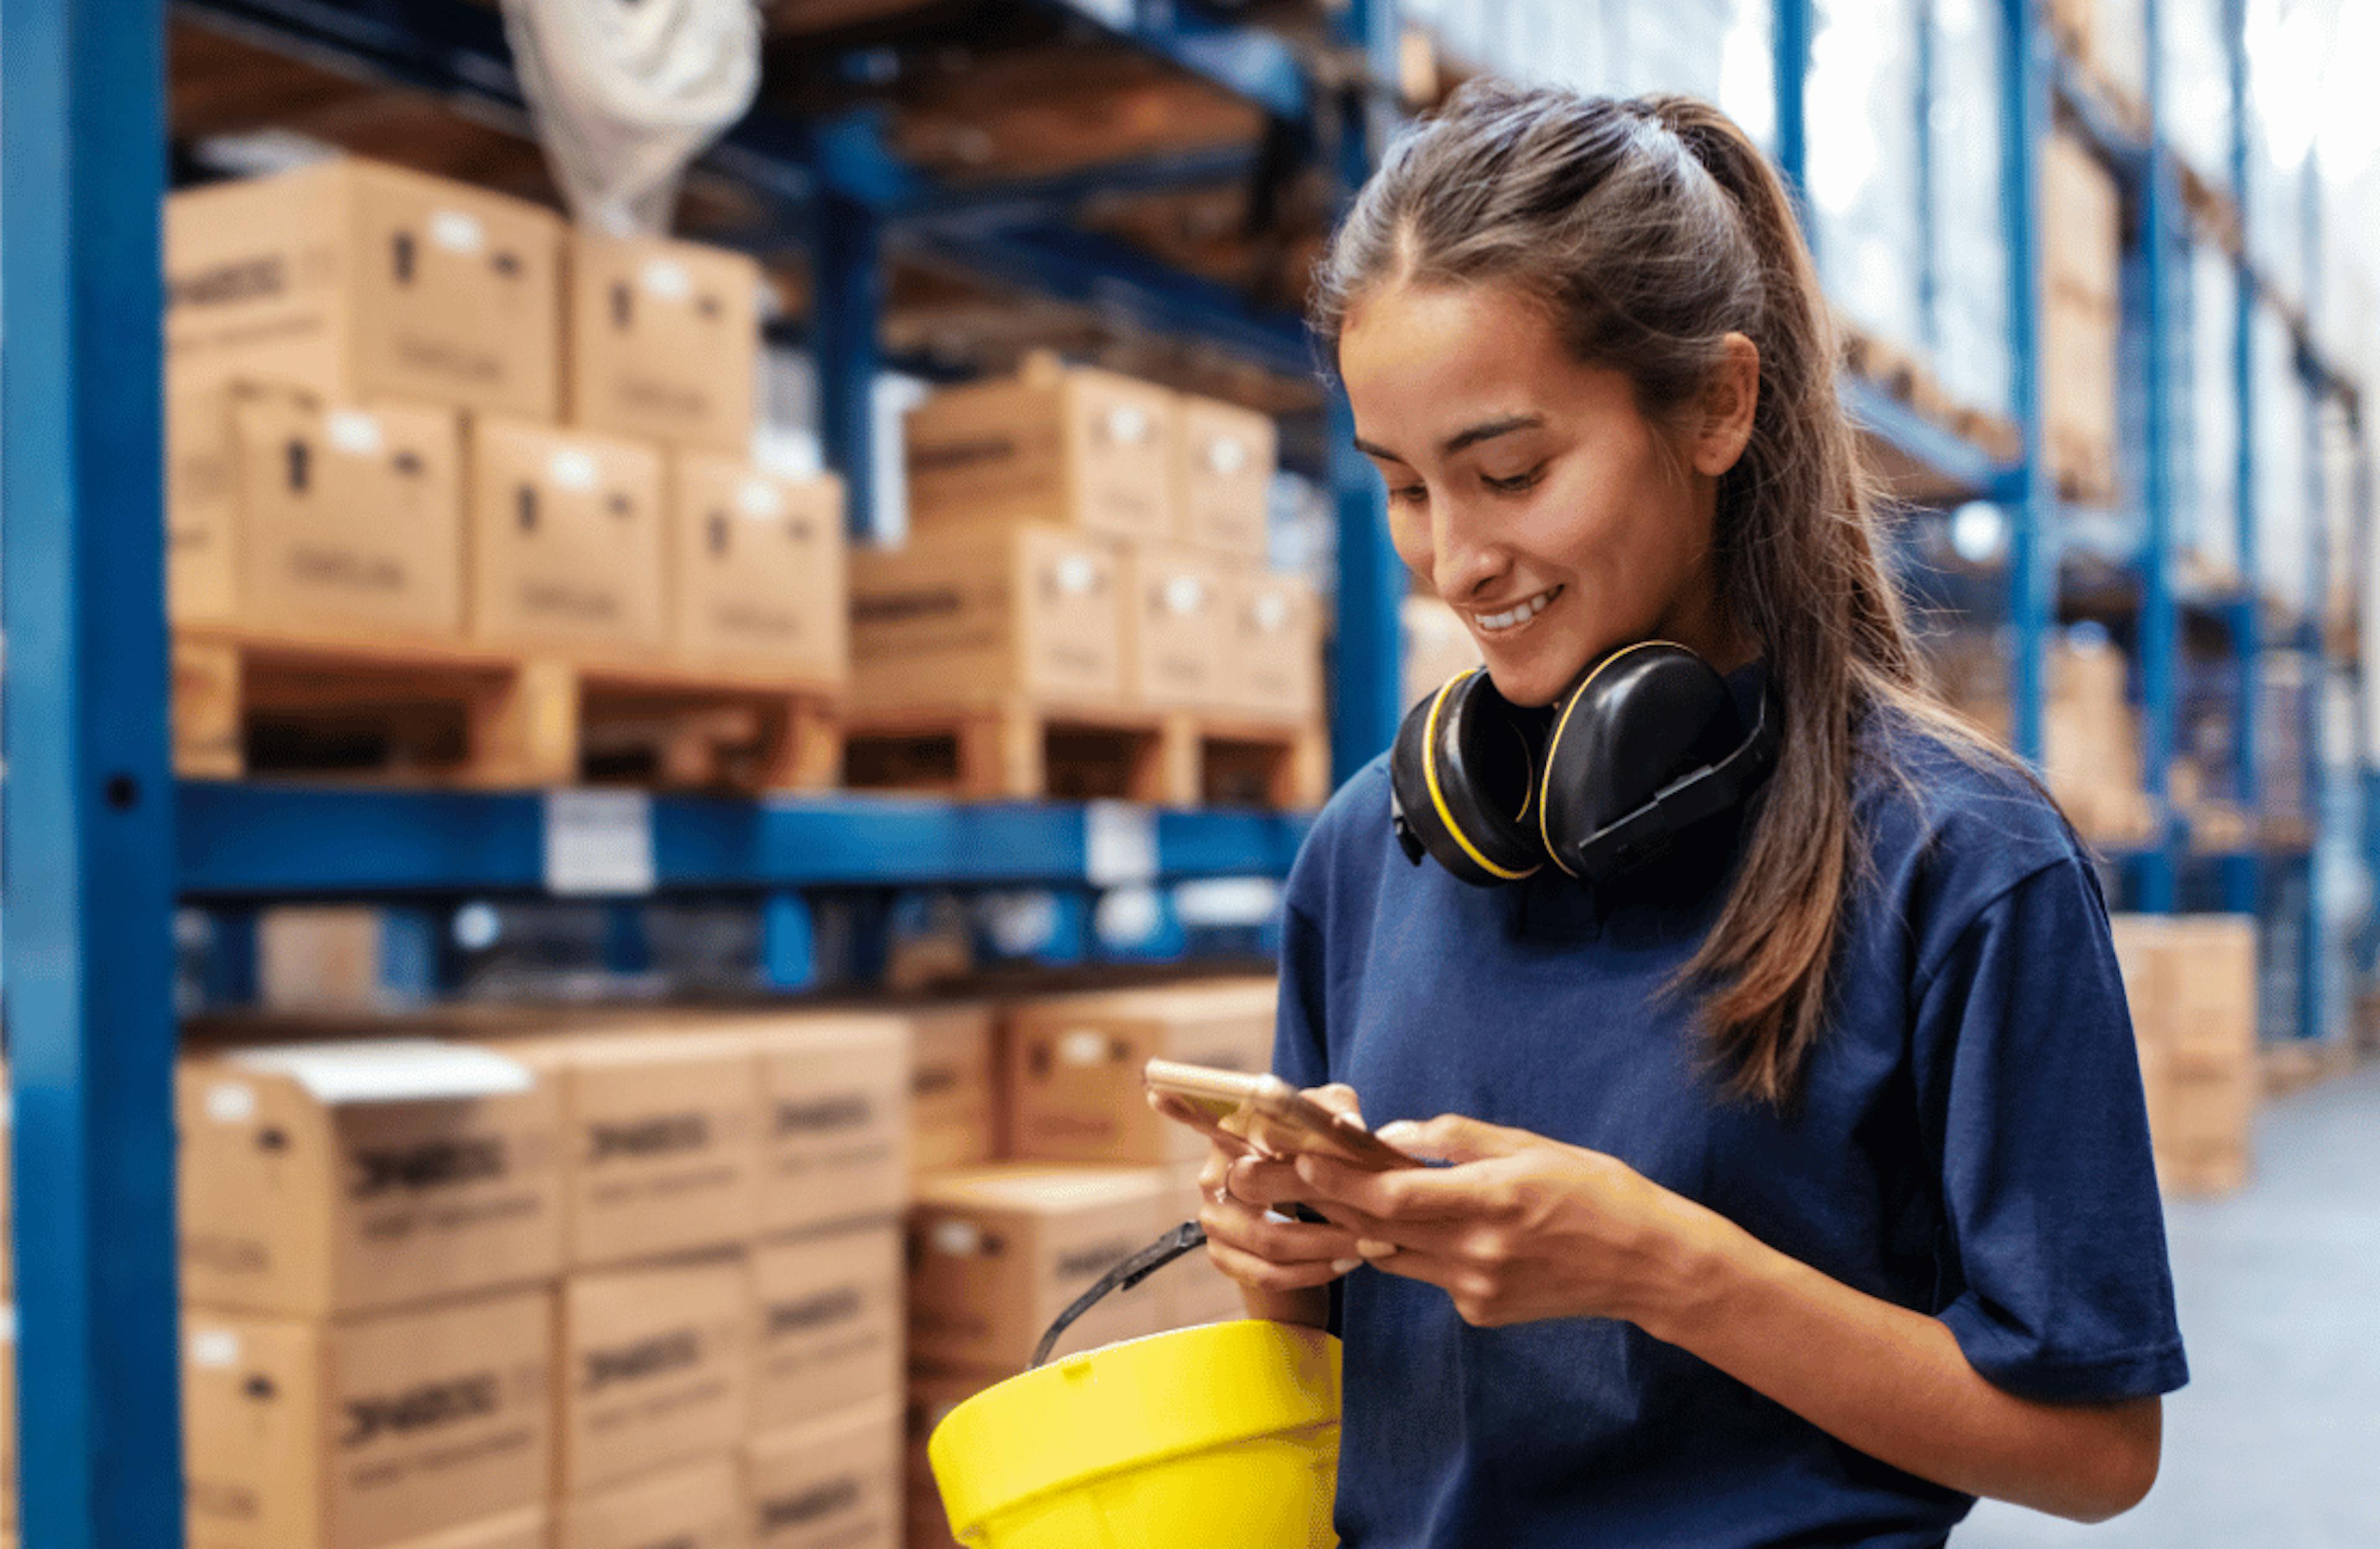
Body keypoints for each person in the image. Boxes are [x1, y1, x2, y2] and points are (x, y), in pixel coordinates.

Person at [1151, 82, 2185, 1547]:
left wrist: (1669, 1269)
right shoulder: (1368, 850)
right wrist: (1279, 1254)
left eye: (1511, 472)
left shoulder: (1964, 862)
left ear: (1718, 403)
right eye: (1402, 488)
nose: (1455, 558)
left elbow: (2095, 1449)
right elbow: (1334, 1367)